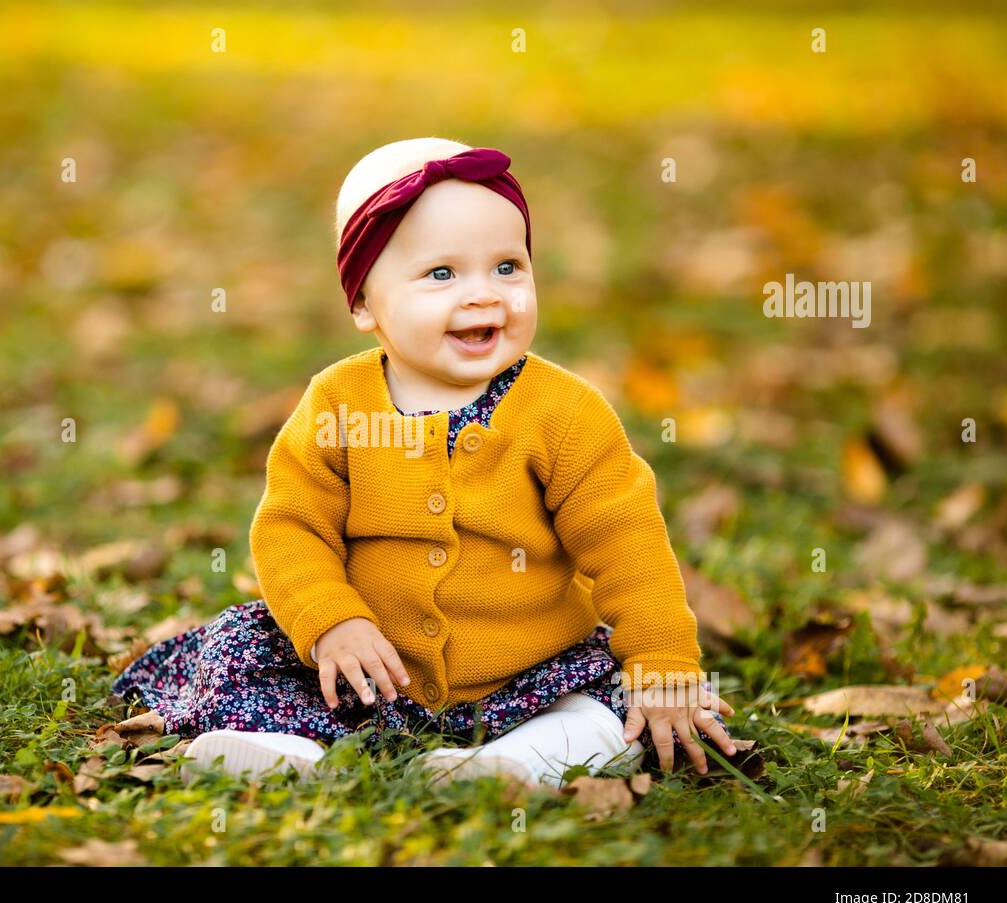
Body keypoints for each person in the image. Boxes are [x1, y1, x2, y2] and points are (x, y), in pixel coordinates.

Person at [113, 137, 737, 788]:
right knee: (241, 648)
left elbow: (626, 543)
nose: (483, 295)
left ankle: (517, 764)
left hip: (531, 668)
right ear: (363, 305)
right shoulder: (337, 402)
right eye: (442, 274)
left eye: (507, 267)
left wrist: (663, 659)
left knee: (615, 700)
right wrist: (334, 622)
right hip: (368, 668)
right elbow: (292, 529)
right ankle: (288, 752)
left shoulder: (565, 412)